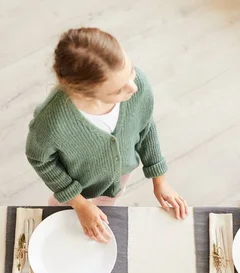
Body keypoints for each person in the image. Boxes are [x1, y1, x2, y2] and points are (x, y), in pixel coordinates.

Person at [26, 28, 188, 243]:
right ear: (83, 93)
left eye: (130, 70)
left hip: (118, 175)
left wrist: (159, 180)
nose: (133, 88)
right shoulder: (51, 122)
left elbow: (145, 126)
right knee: (62, 215)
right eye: (117, 91)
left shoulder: (137, 84)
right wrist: (80, 204)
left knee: (108, 199)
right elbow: (40, 159)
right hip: (74, 184)